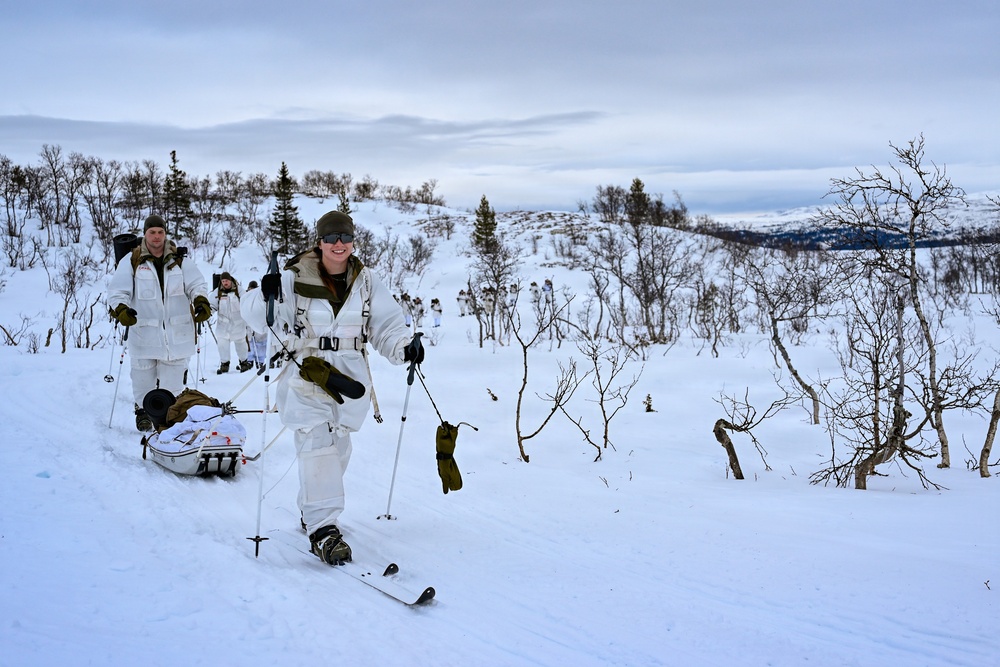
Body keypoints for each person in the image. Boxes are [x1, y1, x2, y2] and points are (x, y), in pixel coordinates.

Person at [244, 210, 423, 566]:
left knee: (338, 448)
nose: (338, 244)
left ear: (353, 241)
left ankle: (311, 510)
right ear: (319, 242)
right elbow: (257, 317)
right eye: (331, 238)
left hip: (350, 377)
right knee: (318, 444)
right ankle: (323, 529)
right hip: (307, 374)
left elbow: (386, 325)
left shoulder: (367, 281)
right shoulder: (294, 277)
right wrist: (264, 289)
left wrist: (405, 346)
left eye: (344, 237)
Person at [107, 214, 211, 431]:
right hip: (144, 332)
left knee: (173, 384)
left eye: (160, 232)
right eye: (152, 232)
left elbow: (197, 285)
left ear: (165, 234)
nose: (156, 236)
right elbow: (118, 291)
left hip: (177, 333)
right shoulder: (132, 261)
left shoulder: (180, 261)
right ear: (145, 234)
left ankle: (169, 417)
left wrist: (201, 301)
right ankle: (143, 412)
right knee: (143, 378)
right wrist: (121, 309)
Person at [210, 272, 253, 374]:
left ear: (230, 280)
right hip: (223, 326)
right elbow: (212, 305)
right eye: (223, 281)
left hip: (238, 324)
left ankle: (244, 362)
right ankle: (224, 364)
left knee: (241, 344)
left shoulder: (239, 290)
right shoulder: (217, 292)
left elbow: (247, 302)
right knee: (222, 345)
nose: (225, 283)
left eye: (226, 281)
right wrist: (208, 313)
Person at [243, 280, 269, 370]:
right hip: (248, 323)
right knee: (249, 342)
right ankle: (249, 360)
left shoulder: (259, 297)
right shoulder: (245, 297)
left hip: (258, 321)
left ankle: (260, 361)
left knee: (260, 343)